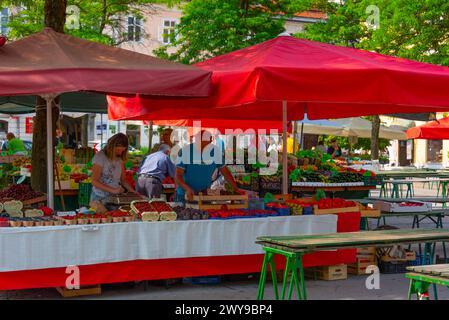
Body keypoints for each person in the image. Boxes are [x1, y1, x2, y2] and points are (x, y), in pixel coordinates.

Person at [175, 130, 243, 202]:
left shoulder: (215, 152)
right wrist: (187, 189)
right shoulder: (185, 151)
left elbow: (225, 172)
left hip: (204, 195)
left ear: (211, 140)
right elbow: (178, 175)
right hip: (185, 194)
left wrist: (236, 189)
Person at [90, 133, 134, 208]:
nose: (120, 152)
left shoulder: (120, 159)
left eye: (123, 150)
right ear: (112, 147)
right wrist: (113, 190)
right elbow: (94, 181)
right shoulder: (100, 157)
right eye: (118, 150)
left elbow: (123, 180)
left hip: (114, 198)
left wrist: (133, 192)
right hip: (100, 198)